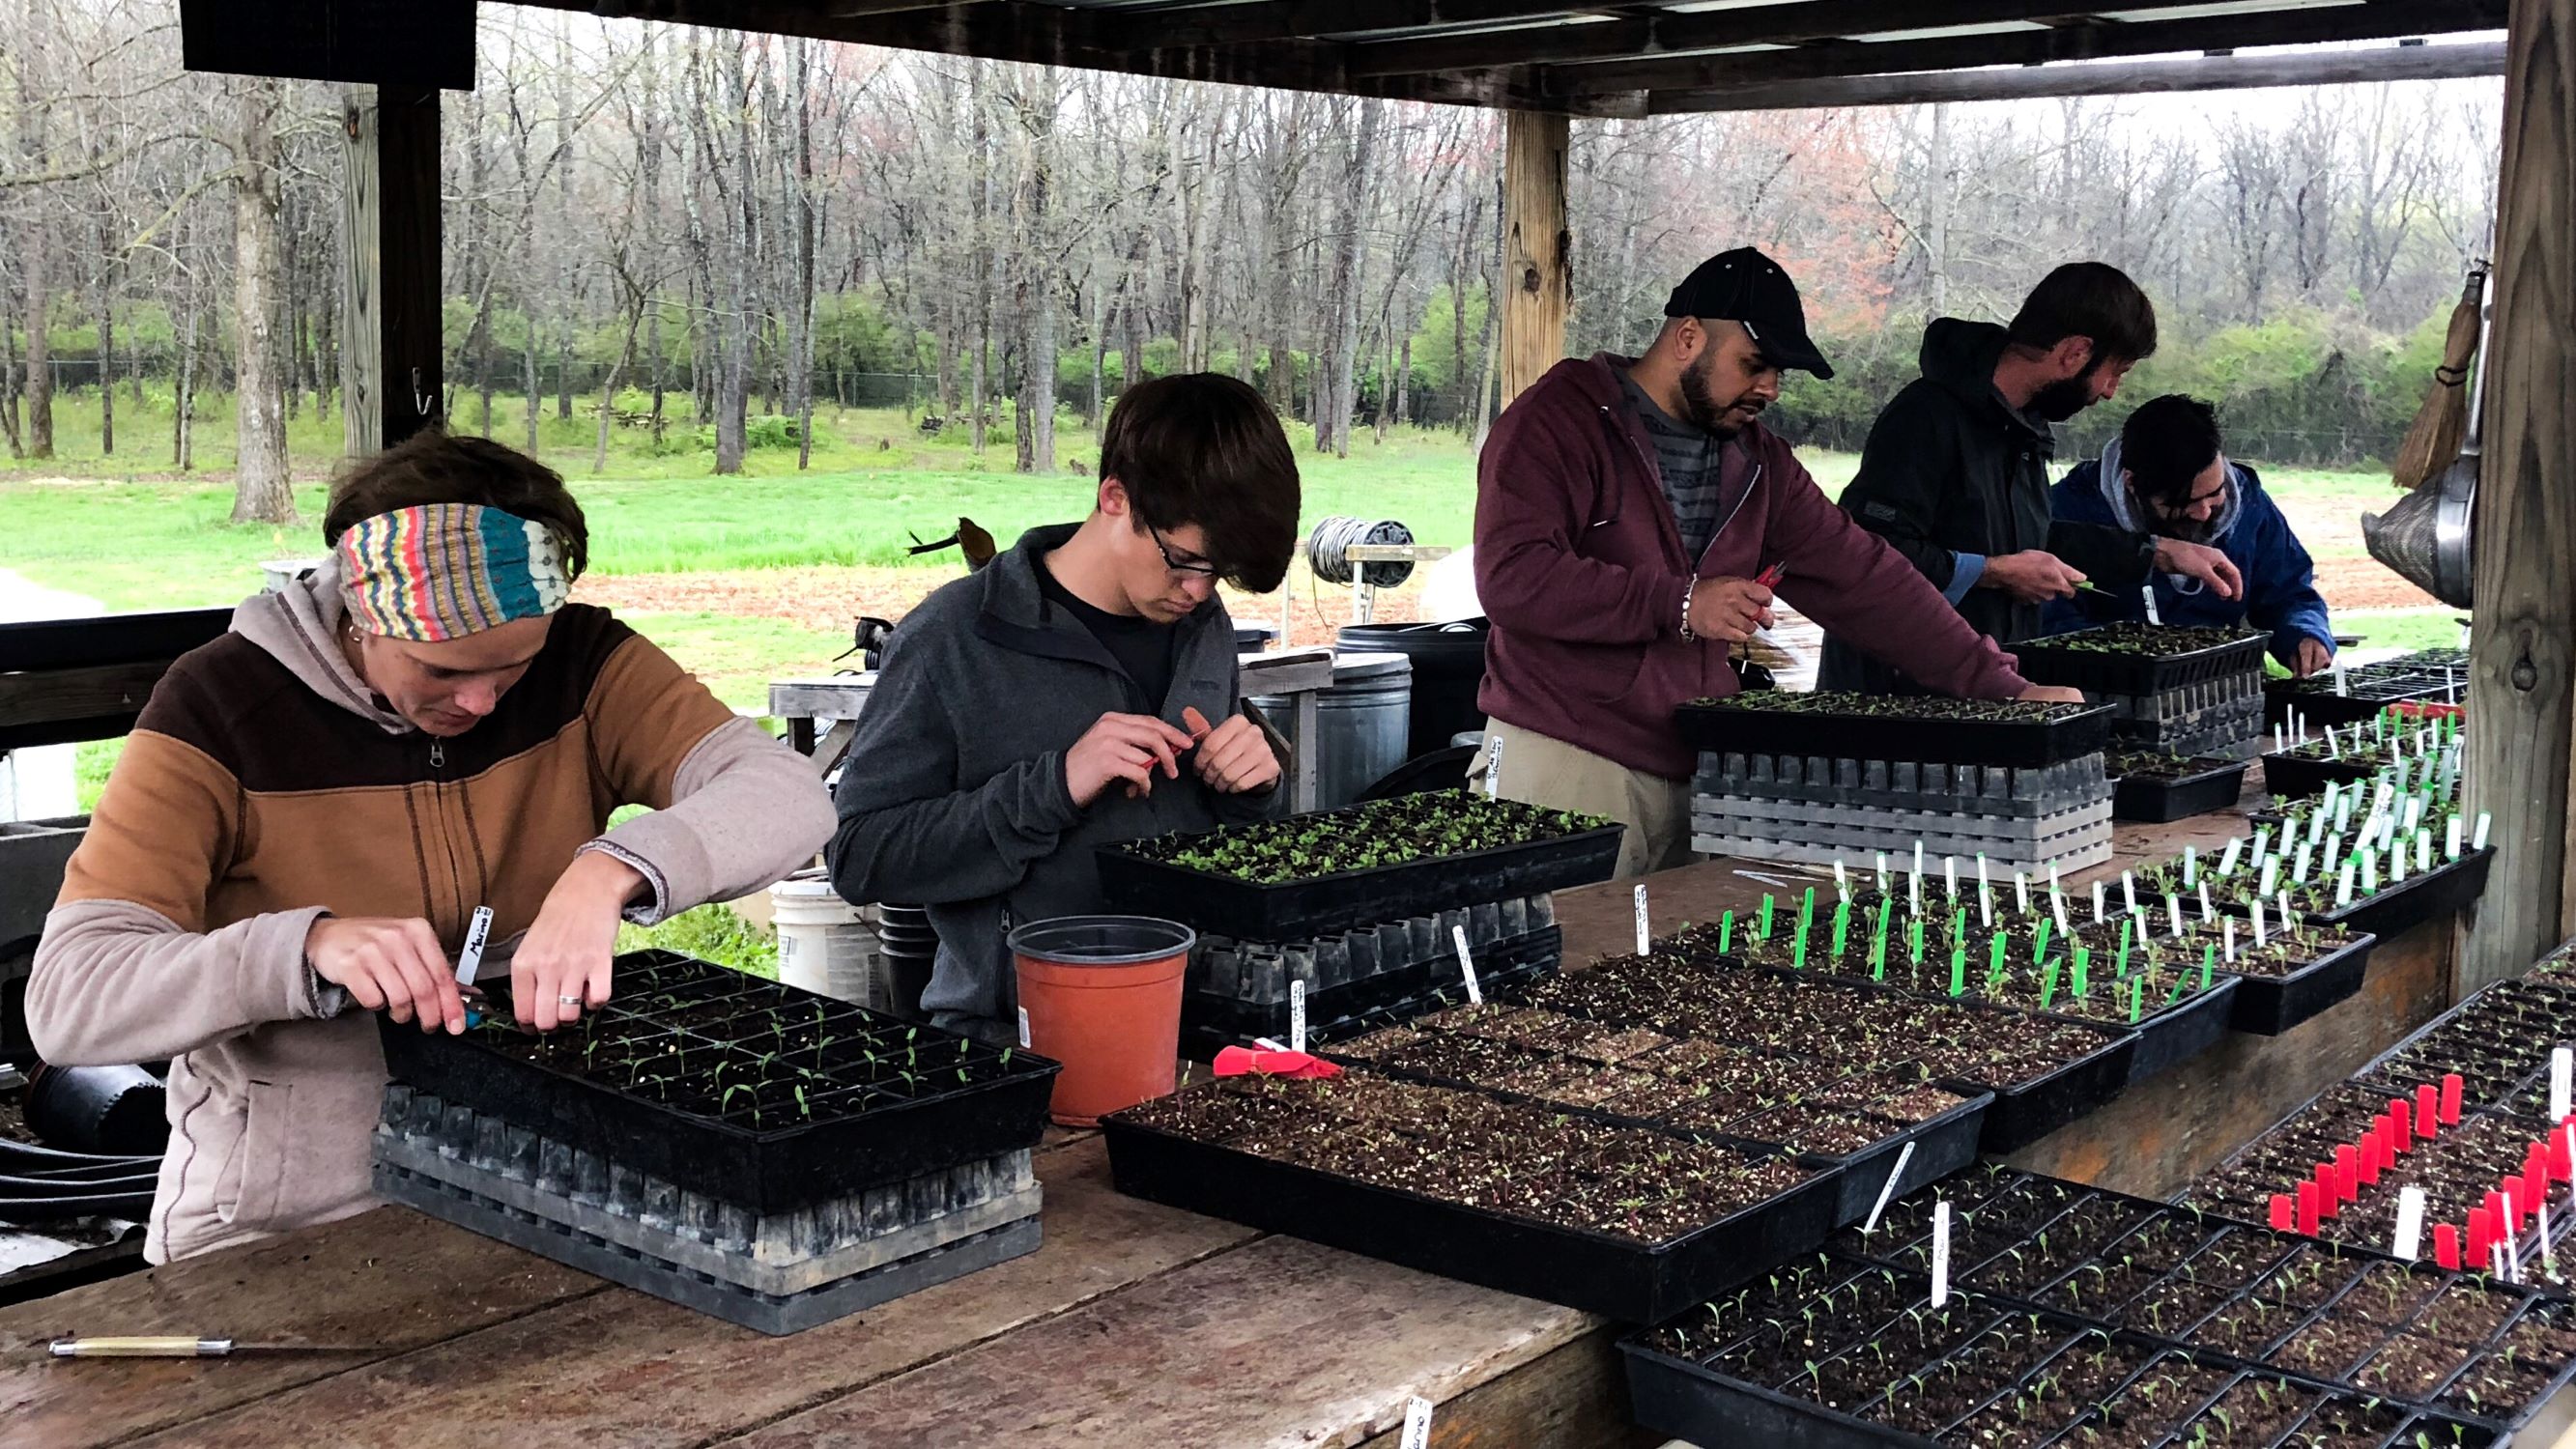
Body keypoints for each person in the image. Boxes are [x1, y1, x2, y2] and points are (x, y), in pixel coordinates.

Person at [25, 432, 835, 1264]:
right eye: (440, 671)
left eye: (511, 669)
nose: (480, 702)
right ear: (363, 618)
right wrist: (305, 946)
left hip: (545, 1182)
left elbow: (787, 792)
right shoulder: (219, 707)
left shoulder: (584, 660)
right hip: (283, 1222)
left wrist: (614, 868)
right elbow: (70, 999)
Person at [1473, 246, 2082, 880]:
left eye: (1779, 372)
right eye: (1755, 364)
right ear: (1687, 338)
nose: (1769, 387)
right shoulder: (1556, 422)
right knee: (1560, 972)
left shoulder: (1762, 465)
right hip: (1567, 760)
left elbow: (1869, 580)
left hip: (1701, 765)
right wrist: (1682, 602)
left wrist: (2005, 688)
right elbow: (1513, 579)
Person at [826, 374, 1298, 1042]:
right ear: (1115, 497)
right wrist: (1053, 787)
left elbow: (1213, 813)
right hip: (1022, 1042)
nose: (1199, 590)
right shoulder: (952, 640)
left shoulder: (1202, 624)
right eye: (1184, 562)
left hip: (1198, 1027)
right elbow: (859, 856)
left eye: (1218, 574)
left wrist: (1255, 782)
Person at [1818, 263, 2244, 696]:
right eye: (2116, 372)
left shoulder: (2022, 429)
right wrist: (1994, 572)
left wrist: (2158, 552)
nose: (2110, 390)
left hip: (1989, 685)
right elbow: (1869, 552)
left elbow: (2034, 539)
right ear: (2075, 353)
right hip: (1900, 702)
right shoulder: (1925, 417)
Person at [2045, 394, 2335, 676]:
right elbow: (2052, 624)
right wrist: (2135, 667)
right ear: (2132, 484)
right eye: (2183, 504)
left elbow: (2289, 590)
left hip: (2222, 689)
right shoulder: (2068, 512)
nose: (2204, 513)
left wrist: (2304, 632)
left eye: (2214, 494)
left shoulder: (2250, 503)